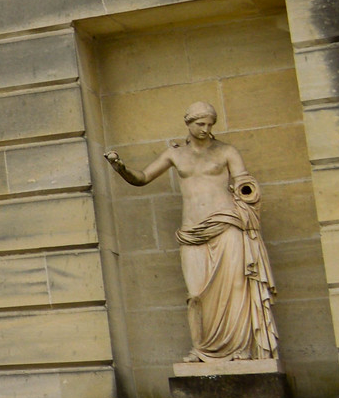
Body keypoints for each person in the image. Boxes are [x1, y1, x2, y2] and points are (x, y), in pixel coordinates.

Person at [105, 101, 278, 362]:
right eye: (200, 124)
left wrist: (246, 188)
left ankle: (242, 348)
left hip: (226, 224)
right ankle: (204, 349)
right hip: (191, 231)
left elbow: (243, 180)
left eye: (209, 124)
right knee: (196, 293)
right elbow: (141, 178)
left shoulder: (226, 151)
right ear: (188, 123)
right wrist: (120, 168)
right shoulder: (175, 154)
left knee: (236, 287)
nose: (205, 129)